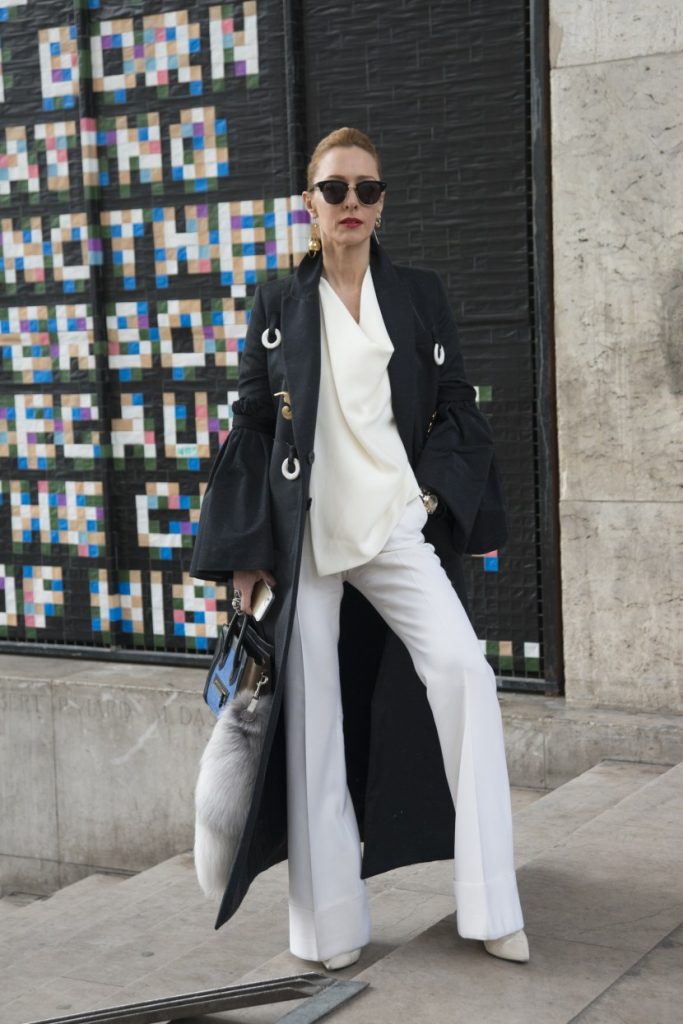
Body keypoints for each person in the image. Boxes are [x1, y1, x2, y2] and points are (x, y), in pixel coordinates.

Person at [190, 126, 529, 969]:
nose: (350, 204)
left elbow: (457, 404)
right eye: (334, 189)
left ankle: (491, 904)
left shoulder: (416, 294)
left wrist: (423, 497)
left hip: (392, 525)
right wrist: (245, 552)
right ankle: (328, 925)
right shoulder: (276, 301)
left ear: (381, 205)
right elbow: (252, 423)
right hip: (305, 538)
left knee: (463, 672)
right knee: (312, 726)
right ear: (308, 204)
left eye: (365, 190)